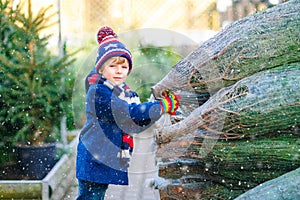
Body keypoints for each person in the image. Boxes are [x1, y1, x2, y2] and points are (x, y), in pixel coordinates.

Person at [76, 26, 180, 200]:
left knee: (95, 196)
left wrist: (157, 108)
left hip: (102, 159)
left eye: (123, 66)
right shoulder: (99, 93)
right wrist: (160, 106)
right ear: (101, 69)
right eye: (113, 65)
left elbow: (137, 123)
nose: (119, 70)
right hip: (93, 159)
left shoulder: (124, 94)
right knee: (91, 197)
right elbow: (129, 113)